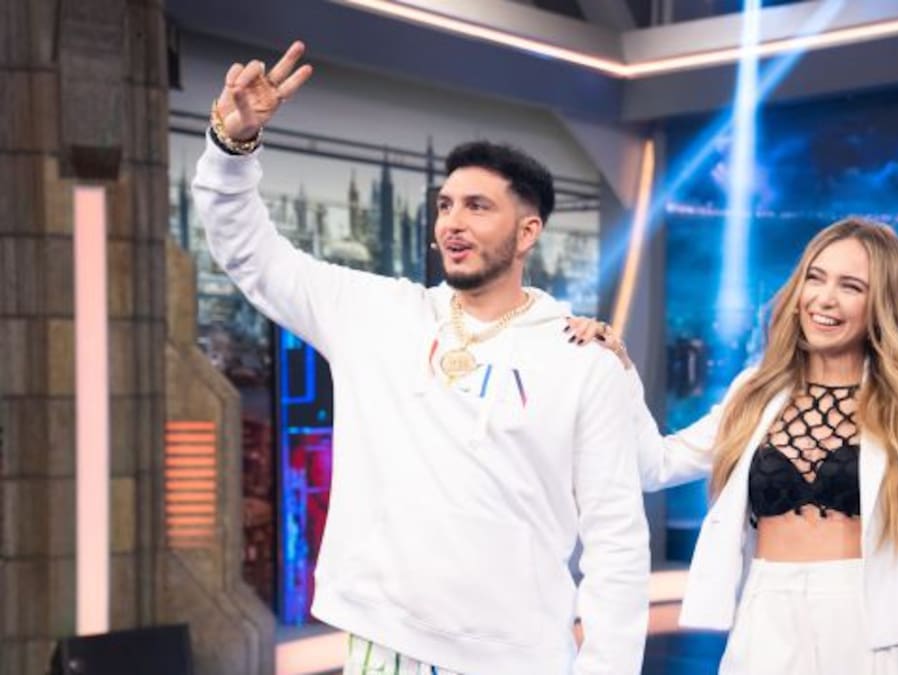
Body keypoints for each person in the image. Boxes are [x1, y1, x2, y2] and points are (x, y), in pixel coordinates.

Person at [192, 41, 650, 675]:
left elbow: (617, 541)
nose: (451, 223)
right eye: (444, 206)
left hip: (519, 657)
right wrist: (232, 145)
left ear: (528, 232)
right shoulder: (377, 313)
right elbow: (250, 253)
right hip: (384, 644)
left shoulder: (583, 361)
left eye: (477, 207)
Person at [568, 217, 898, 674]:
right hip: (765, 613)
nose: (824, 298)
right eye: (815, 278)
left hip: (875, 620)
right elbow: (653, 465)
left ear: (881, 304)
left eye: (851, 286)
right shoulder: (755, 392)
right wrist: (616, 370)